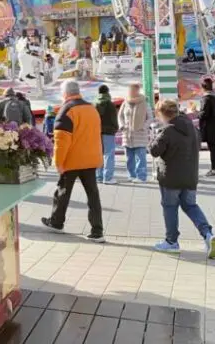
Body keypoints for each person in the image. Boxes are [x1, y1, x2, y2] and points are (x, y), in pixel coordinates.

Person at [149, 98, 215, 257]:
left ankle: (171, 242)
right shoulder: (192, 128)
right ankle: (208, 235)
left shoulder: (167, 131)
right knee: (191, 206)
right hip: (190, 177)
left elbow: (154, 151)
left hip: (171, 178)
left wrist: (154, 136)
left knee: (170, 207)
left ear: (163, 114)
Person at [41, 79, 104, 242]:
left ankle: (56, 222)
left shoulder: (66, 111)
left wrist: (58, 162)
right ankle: (97, 231)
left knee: (62, 192)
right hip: (91, 159)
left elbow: (62, 141)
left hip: (72, 160)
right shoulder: (91, 108)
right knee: (93, 195)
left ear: (65, 94)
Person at [118, 83, 151, 182]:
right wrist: (122, 125)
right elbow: (120, 116)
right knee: (129, 158)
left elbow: (150, 118)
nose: (131, 91)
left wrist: (144, 127)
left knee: (141, 158)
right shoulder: (125, 102)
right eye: (130, 89)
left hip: (140, 135)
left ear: (137, 90)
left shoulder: (144, 103)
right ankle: (132, 175)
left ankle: (141, 177)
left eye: (133, 89)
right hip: (127, 135)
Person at [95, 84, 119, 184]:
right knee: (109, 155)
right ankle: (108, 178)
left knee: (99, 154)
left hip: (97, 133)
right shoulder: (110, 104)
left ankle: (99, 177)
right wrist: (115, 128)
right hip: (109, 132)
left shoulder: (94, 104)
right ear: (108, 92)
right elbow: (114, 119)